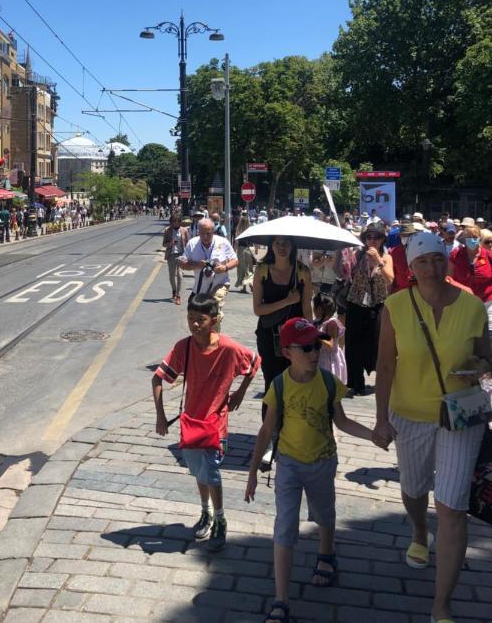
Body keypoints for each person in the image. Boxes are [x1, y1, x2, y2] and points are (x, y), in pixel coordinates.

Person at [373, 231, 492, 623]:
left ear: (448, 261)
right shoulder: (395, 306)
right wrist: (379, 419)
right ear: (411, 266)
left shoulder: (473, 307)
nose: (431, 267)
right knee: (412, 488)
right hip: (410, 413)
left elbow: (486, 356)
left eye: (437, 259)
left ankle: (441, 606)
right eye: (423, 261)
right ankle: (419, 532)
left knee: (453, 506)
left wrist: (482, 367)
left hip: (460, 416)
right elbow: (386, 365)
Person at [246, 317, 383, 622]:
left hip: (322, 461)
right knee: (285, 525)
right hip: (289, 466)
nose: (313, 352)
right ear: (287, 352)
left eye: (316, 345)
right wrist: (253, 472)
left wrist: (371, 435)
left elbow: (342, 421)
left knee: (324, 513)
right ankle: (281, 599)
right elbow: (266, 432)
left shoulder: (328, 382)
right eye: (305, 347)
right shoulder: (279, 386)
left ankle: (326, 553)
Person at [152, 292, 260, 553]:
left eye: (200, 319)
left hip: (215, 422)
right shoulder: (184, 348)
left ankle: (221, 519)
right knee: (199, 473)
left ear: (214, 320)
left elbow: (255, 362)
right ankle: (206, 512)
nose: (194, 324)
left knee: (211, 471)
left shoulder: (230, 349)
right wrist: (160, 415)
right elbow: (157, 379)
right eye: (190, 318)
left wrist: (240, 393)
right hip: (191, 422)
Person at [252, 236, 313, 412]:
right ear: (271, 245)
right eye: (277, 243)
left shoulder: (302, 272)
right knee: (271, 379)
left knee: (294, 378)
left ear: (293, 245)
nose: (282, 247)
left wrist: (313, 337)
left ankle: (290, 426)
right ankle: (270, 428)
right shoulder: (262, 270)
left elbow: (306, 308)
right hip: (269, 335)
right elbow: (258, 309)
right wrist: (286, 301)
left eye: (286, 242)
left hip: (295, 336)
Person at [344, 221, 394, 396]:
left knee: (377, 343)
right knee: (353, 344)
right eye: (369, 237)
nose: (372, 241)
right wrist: (338, 255)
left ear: (382, 240)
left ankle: (381, 378)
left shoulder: (387, 257)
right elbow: (343, 273)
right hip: (356, 303)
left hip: (378, 304)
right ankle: (356, 382)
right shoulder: (357, 255)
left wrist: (379, 261)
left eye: (377, 237)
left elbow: (390, 280)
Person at [179, 218, 238, 328]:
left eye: (208, 233)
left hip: (220, 284)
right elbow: (183, 264)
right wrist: (197, 264)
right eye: (202, 233)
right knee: (197, 318)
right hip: (199, 288)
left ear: (213, 231)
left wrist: (224, 267)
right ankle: (202, 339)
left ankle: (215, 339)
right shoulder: (192, 244)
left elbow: (235, 260)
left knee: (214, 310)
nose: (205, 236)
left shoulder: (223, 242)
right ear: (198, 232)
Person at [448, 223, 492, 331]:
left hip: (487, 303)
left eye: (475, 237)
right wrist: (463, 288)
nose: (472, 240)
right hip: (463, 302)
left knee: (488, 332)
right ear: (464, 239)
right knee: (466, 332)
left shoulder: (488, 255)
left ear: (479, 238)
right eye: (468, 237)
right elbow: (448, 278)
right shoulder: (455, 255)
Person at [314, 293, 347, 384]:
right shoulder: (318, 322)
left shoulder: (331, 323)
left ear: (319, 309)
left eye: (314, 308)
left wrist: (315, 334)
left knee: (329, 383)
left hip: (329, 360)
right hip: (321, 357)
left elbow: (330, 344)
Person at [162, 214, 189, 305]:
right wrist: (170, 243)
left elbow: (188, 244)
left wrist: (188, 255)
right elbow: (164, 244)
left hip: (181, 255)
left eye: (177, 221)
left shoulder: (184, 230)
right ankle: (174, 290)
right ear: (171, 222)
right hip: (171, 255)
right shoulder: (167, 230)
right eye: (174, 221)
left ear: (179, 221)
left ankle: (178, 295)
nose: (176, 223)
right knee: (171, 276)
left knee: (180, 275)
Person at [389, 220, 417, 293]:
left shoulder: (421, 250)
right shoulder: (393, 252)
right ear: (400, 236)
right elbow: (392, 276)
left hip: (418, 292)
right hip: (400, 292)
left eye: (409, 235)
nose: (407, 237)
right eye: (404, 235)